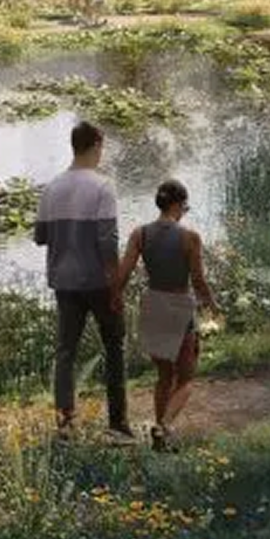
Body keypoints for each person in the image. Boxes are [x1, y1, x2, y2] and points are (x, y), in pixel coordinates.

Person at [33, 121, 134, 442]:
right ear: (96, 145)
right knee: (114, 347)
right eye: (101, 147)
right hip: (99, 282)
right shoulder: (103, 187)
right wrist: (116, 283)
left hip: (64, 281)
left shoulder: (52, 188)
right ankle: (117, 425)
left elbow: (40, 237)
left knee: (65, 352)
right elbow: (108, 241)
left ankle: (65, 423)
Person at [114, 179, 219, 452]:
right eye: (185, 206)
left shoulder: (140, 234)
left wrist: (114, 297)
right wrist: (212, 305)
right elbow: (198, 280)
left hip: (153, 305)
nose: (185, 210)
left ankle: (162, 440)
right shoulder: (190, 237)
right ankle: (164, 426)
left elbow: (123, 272)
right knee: (186, 378)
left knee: (164, 376)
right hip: (179, 307)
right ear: (178, 204)